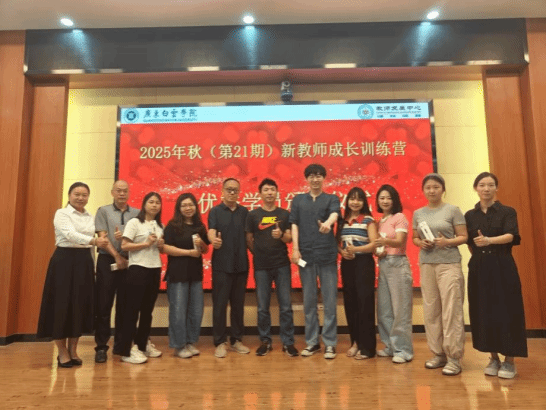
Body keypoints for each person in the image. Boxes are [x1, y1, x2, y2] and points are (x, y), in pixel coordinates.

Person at [37, 182, 110, 368]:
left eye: (84, 195)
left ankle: (73, 350)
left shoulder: (90, 216)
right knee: (61, 306)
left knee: (79, 305)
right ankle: (62, 352)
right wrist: (94, 240)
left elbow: (92, 245)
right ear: (69, 195)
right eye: (77, 194)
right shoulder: (62, 213)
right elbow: (69, 234)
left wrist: (92, 263)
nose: (80, 198)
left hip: (84, 262)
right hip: (64, 261)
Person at [465, 172, 528, 379]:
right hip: (480, 267)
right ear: (476, 188)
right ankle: (493, 358)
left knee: (508, 310)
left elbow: (511, 235)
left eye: (491, 185)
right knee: (484, 310)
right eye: (482, 185)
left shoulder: (507, 211)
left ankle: (509, 361)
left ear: (496, 188)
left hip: (503, 265)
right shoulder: (470, 215)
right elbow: (470, 243)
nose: (486, 189)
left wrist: (489, 241)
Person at [412, 174, 468, 376]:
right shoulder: (418, 213)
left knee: (451, 310)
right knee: (431, 309)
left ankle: (453, 358)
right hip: (427, 264)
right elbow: (415, 238)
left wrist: (447, 242)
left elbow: (464, 236)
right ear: (423, 190)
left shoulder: (452, 210)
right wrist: (421, 243)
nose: (432, 190)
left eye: (436, 187)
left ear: (443, 189)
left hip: (449, 264)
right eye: (428, 187)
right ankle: (438, 354)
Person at [290, 164, 341, 360]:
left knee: (329, 301)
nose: (315, 179)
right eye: (311, 176)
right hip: (306, 256)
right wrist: (295, 249)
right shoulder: (298, 200)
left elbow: (335, 214)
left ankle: (330, 343)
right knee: (309, 301)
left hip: (327, 255)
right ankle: (312, 342)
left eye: (319, 175)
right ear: (306, 179)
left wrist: (328, 223)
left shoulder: (331, 198)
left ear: (324, 178)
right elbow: (294, 224)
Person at [246, 178, 298, 357]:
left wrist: (280, 235)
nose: (269, 193)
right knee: (262, 307)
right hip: (261, 266)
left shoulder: (284, 214)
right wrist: (259, 253)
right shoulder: (253, 215)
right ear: (260, 194)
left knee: (286, 306)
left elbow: (289, 238)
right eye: (266, 190)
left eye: (272, 189)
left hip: (282, 264)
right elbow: (249, 239)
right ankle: (265, 341)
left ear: (277, 192)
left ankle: (288, 342)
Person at [94, 180, 140, 364]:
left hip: (129, 261)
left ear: (129, 193)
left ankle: (121, 346)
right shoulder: (103, 211)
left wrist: (125, 253)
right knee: (104, 305)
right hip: (107, 260)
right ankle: (101, 347)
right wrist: (117, 257)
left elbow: (139, 238)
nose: (122, 194)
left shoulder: (137, 213)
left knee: (125, 306)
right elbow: (102, 238)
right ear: (112, 192)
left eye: (125, 191)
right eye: (118, 191)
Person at [118, 192, 165, 364]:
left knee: (147, 312)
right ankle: (126, 350)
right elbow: (124, 245)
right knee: (132, 311)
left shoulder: (160, 226)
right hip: (138, 269)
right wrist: (146, 243)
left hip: (155, 269)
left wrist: (161, 245)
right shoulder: (134, 222)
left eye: (157, 202)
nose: (154, 205)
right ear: (144, 204)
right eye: (151, 202)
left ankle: (142, 344)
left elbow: (160, 250)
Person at [162, 193, 210, 359]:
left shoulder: (200, 226)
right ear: (179, 208)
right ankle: (179, 346)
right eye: (184, 205)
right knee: (178, 311)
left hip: (195, 274)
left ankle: (190, 342)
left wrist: (201, 244)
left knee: (196, 311)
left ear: (195, 206)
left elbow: (205, 250)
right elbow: (165, 248)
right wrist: (189, 252)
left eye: (190, 205)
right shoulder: (173, 226)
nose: (188, 208)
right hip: (177, 274)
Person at [208, 178, 250, 358]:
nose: (232, 192)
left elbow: (249, 236)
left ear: (239, 192)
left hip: (241, 265)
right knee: (220, 305)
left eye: (235, 190)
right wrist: (213, 241)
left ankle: (236, 340)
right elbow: (211, 231)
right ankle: (220, 342)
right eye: (229, 189)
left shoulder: (244, 212)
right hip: (221, 266)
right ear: (222, 191)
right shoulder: (215, 211)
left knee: (238, 306)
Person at [375, 184, 414, 364]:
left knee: (400, 311)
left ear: (395, 200)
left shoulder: (400, 217)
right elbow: (380, 246)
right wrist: (379, 251)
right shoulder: (381, 220)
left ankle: (403, 350)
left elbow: (399, 241)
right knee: (384, 310)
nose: (385, 201)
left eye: (388, 198)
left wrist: (383, 241)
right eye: (382, 198)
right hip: (384, 265)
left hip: (398, 264)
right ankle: (390, 346)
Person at [338, 187, 378, 360]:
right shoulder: (343, 221)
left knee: (365, 304)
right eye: (352, 199)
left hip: (364, 264)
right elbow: (338, 243)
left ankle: (367, 348)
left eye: (359, 199)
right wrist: (342, 252)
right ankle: (355, 342)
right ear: (347, 201)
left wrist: (356, 249)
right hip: (347, 264)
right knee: (350, 303)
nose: (355, 202)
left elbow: (374, 244)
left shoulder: (368, 220)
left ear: (364, 202)